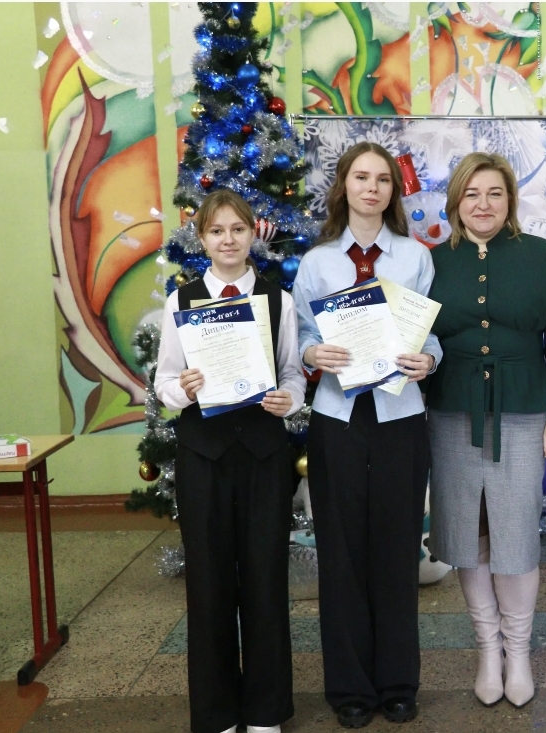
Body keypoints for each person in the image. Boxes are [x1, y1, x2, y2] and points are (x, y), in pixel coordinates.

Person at [425, 152, 546, 708]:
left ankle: (518, 652)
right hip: (451, 412)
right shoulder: (431, 262)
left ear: (510, 200)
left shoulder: (541, 255)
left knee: (514, 533)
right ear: (455, 202)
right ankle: (487, 651)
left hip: (522, 409)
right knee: (467, 532)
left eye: (494, 193)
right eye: (472, 194)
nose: (483, 204)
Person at [292, 142, 441, 729]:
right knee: (342, 553)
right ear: (344, 186)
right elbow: (301, 336)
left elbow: (431, 332)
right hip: (338, 418)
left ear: (391, 192)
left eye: (382, 179)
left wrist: (429, 359)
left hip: (400, 419)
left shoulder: (414, 257)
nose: (372, 188)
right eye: (361, 177)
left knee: (398, 551)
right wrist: (312, 353)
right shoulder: (317, 263)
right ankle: (350, 687)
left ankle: (399, 683)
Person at [154, 188, 306, 733]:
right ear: (202, 239)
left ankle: (266, 711)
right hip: (204, 456)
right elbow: (164, 381)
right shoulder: (181, 301)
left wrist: (290, 400)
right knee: (209, 582)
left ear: (251, 235)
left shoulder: (277, 300)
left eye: (237, 230)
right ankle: (216, 712)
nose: (228, 240)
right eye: (217, 231)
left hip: (264, 455)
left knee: (266, 578)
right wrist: (185, 388)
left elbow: (293, 373)